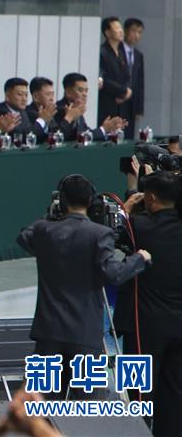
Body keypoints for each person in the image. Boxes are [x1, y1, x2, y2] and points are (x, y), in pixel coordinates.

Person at [17, 174, 150, 399]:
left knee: (43, 409)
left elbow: (24, 237)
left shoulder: (44, 230)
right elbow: (114, 274)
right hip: (85, 335)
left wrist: (51, 214)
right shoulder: (99, 234)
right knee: (86, 413)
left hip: (48, 334)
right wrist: (139, 258)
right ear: (90, 201)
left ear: (61, 200)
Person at [114, 172, 182, 436]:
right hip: (178, 328)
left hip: (144, 327)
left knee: (138, 398)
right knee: (175, 396)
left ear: (150, 197)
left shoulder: (138, 226)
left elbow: (106, 235)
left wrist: (125, 208)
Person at [55, 72, 126, 141]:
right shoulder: (60, 109)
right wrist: (103, 129)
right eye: (81, 90)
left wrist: (109, 130)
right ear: (68, 92)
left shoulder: (77, 109)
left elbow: (87, 133)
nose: (85, 94)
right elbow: (79, 137)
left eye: (86, 91)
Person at [98, 16, 134, 133]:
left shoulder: (121, 53)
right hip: (108, 102)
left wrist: (126, 92)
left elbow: (127, 76)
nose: (120, 31)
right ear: (108, 33)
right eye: (116, 28)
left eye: (120, 28)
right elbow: (103, 79)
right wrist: (122, 91)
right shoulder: (102, 52)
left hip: (122, 104)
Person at [0, 77, 53, 141]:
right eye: (20, 95)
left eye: (26, 95)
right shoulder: (2, 111)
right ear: (7, 96)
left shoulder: (22, 111)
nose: (24, 99)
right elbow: (23, 136)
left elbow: (32, 131)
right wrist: (42, 120)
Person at [123, 17, 145, 139]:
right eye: (134, 31)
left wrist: (139, 108)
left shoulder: (138, 55)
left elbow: (140, 83)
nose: (136, 35)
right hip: (119, 98)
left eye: (139, 32)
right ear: (126, 31)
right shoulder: (117, 50)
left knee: (130, 133)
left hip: (132, 102)